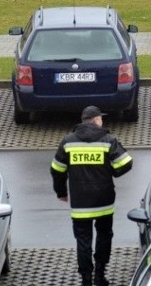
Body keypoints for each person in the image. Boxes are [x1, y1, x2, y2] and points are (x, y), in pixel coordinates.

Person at [51, 105, 132, 286]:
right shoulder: (107, 140)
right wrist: (111, 172)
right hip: (104, 200)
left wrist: (61, 192)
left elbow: (57, 169)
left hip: (80, 203)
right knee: (104, 235)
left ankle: (86, 279)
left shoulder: (68, 141)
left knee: (83, 240)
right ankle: (100, 275)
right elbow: (126, 162)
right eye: (101, 119)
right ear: (96, 120)